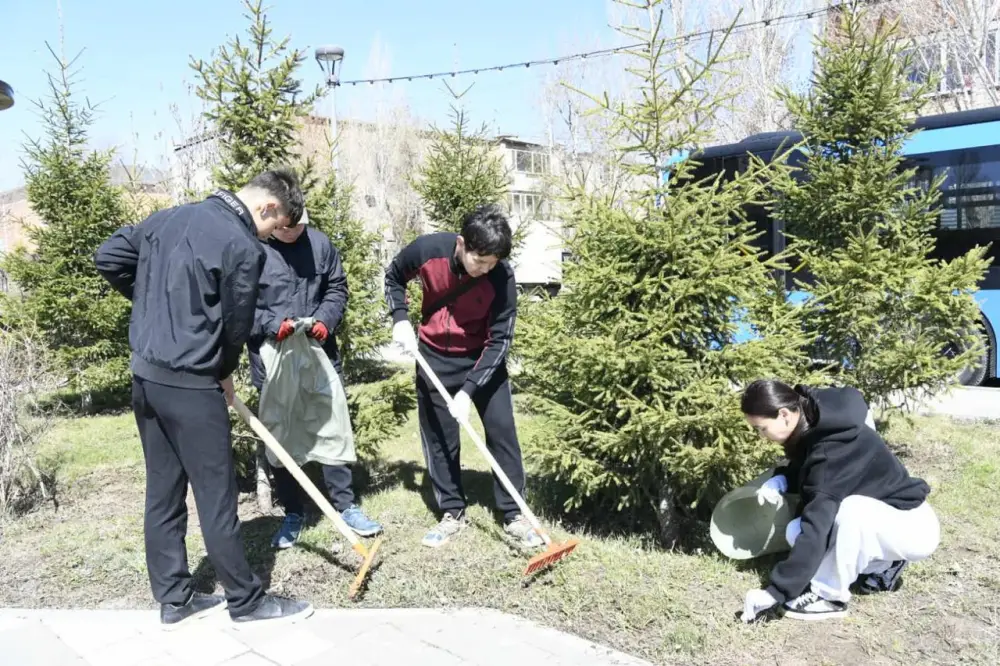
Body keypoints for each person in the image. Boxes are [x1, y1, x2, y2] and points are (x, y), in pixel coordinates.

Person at [94, 169, 314, 629]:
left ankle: (174, 599)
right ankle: (246, 601)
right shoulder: (241, 245)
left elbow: (109, 255)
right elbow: (236, 325)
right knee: (217, 496)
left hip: (146, 379)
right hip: (193, 384)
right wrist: (224, 371)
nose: (269, 235)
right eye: (273, 227)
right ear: (268, 207)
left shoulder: (168, 217)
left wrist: (154, 305)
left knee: (163, 491)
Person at [383, 204, 543, 550]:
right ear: (461, 244)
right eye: (479, 261)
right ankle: (452, 511)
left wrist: (469, 390)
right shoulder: (427, 251)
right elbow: (393, 277)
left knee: (502, 433)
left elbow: (500, 340)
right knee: (440, 438)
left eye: (492, 263)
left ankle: (514, 513)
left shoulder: (501, 277)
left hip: (481, 361)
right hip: (433, 357)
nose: (484, 269)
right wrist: (400, 319)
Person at [738, 379, 940, 622]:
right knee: (794, 531)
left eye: (762, 428)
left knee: (850, 512)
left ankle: (830, 597)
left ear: (784, 415)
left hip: (914, 527)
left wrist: (776, 592)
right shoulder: (817, 412)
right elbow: (810, 465)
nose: (762, 436)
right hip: (884, 516)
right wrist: (784, 479)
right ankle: (881, 564)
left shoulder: (832, 452)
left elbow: (816, 526)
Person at [247, 208, 383, 548]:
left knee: (330, 423)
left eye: (299, 226)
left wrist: (325, 319)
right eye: (286, 228)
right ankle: (293, 512)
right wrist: (272, 324)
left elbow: (337, 288)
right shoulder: (253, 249)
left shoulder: (321, 245)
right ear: (272, 221)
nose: (293, 232)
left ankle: (345, 505)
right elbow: (240, 304)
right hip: (272, 358)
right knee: (280, 432)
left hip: (319, 353)